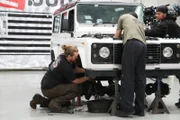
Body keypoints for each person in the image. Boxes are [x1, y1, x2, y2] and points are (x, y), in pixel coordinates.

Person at [30, 45, 93, 112]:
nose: (77, 58)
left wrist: (87, 70)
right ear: (69, 56)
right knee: (77, 88)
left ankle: (39, 99)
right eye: (75, 57)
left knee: (66, 103)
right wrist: (87, 78)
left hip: (48, 85)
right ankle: (55, 103)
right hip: (49, 89)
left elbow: (75, 69)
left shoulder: (63, 56)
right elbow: (76, 81)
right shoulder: (64, 65)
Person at [145, 6, 180, 108]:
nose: (156, 16)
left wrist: (143, 30)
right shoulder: (168, 22)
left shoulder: (166, 23)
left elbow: (153, 32)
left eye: (158, 14)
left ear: (164, 14)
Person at [114, 12, 147, 117]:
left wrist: (115, 38)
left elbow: (116, 35)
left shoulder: (123, 16)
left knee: (127, 77)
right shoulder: (139, 22)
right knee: (140, 78)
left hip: (132, 44)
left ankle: (126, 110)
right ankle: (140, 110)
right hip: (143, 46)